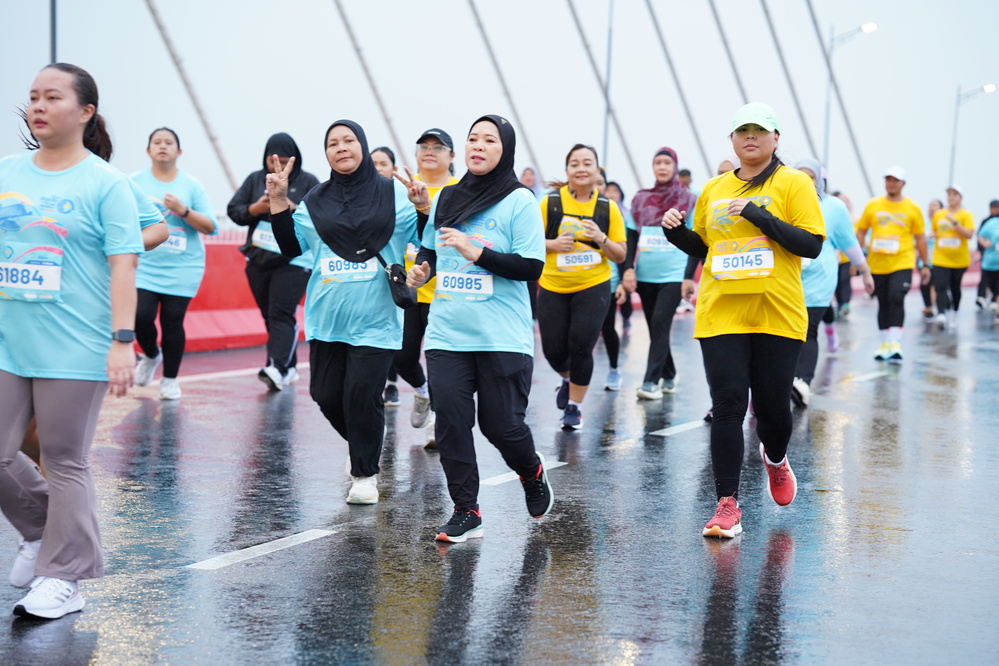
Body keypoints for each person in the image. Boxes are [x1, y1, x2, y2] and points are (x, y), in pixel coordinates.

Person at [0, 62, 142, 619]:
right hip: (9, 340)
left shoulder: (106, 184)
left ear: (85, 111)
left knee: (63, 459)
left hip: (74, 344)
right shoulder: (8, 172)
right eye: (33, 96)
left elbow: (124, 266)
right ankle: (41, 531)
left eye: (52, 97)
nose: (38, 106)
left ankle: (66, 577)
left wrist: (122, 341)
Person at [660, 103, 824, 538]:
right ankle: (727, 504)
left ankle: (776, 458)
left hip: (777, 312)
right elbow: (705, 246)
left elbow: (810, 245)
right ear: (732, 139)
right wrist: (676, 233)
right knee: (728, 404)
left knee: (772, 410)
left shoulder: (794, 183)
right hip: (722, 312)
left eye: (760, 130)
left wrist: (758, 214)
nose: (751, 136)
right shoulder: (714, 189)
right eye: (742, 130)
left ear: (775, 138)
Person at [405, 114, 552, 543]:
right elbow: (431, 251)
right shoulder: (448, 197)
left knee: (501, 426)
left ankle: (531, 470)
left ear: (505, 149)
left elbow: (531, 266)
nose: (479, 146)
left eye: (490, 140)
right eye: (473, 139)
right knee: (451, 422)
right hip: (447, 332)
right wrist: (422, 271)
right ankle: (466, 510)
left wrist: (478, 252)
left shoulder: (519, 200)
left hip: (501, 335)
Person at [269, 120, 417, 505]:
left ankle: (365, 474)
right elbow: (290, 247)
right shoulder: (315, 201)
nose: (341, 147)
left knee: (362, 394)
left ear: (362, 146)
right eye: (332, 143)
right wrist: (278, 201)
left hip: (377, 318)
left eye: (349, 140)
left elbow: (426, 237)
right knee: (325, 395)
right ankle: (363, 443)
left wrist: (423, 207)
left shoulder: (393, 193)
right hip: (327, 318)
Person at [537, 144, 627, 428]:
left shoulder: (607, 208)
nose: (581, 168)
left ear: (597, 170)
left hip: (593, 284)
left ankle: (574, 407)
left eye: (587, 163)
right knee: (553, 350)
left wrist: (601, 238)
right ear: (567, 171)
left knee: (581, 345)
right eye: (574, 163)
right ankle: (567, 379)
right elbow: (527, 242)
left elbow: (620, 255)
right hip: (553, 284)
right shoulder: (550, 203)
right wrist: (553, 244)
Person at [228, 133, 320, 390]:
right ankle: (288, 366)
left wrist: (292, 207)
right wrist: (254, 209)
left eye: (283, 160)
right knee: (270, 315)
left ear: (294, 159)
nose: (277, 165)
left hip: (294, 261)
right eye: (272, 160)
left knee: (281, 313)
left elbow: (321, 217)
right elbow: (234, 210)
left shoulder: (308, 181)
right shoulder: (255, 179)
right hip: (259, 258)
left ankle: (276, 368)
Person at [131, 128, 218, 399]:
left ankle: (170, 380)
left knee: (172, 322)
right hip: (144, 266)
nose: (162, 146)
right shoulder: (134, 182)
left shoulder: (191, 185)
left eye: (169, 143)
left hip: (183, 267)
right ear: (148, 150)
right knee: (140, 316)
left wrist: (183, 210)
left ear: (178, 152)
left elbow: (211, 227)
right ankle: (150, 354)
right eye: (156, 142)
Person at [392, 128, 460, 447]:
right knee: (402, 357)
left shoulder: (460, 191)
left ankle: (437, 420)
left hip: (446, 292)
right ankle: (422, 393)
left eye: (438, 147)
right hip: (406, 291)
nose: (429, 151)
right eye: (423, 146)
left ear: (452, 156)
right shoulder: (398, 189)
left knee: (439, 362)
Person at [790, 158, 874, 406]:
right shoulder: (783, 202)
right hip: (788, 279)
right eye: (800, 176)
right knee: (786, 334)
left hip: (819, 279)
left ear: (820, 180)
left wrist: (865, 270)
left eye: (810, 177)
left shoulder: (834, 207)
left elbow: (849, 242)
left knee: (808, 330)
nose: (805, 181)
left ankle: (802, 382)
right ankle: (783, 380)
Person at [627, 147, 698, 400]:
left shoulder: (689, 199)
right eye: (658, 162)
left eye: (667, 162)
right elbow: (631, 236)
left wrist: (688, 276)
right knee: (656, 328)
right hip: (646, 274)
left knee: (659, 322)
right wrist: (628, 268)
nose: (662, 167)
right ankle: (670, 373)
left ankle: (650, 382)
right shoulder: (640, 198)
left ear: (675, 167)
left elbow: (696, 240)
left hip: (674, 275)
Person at [855, 167, 930, 361]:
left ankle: (895, 342)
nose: (891, 184)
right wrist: (856, 259)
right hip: (877, 263)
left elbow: (920, 237)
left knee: (897, 297)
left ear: (903, 184)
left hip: (902, 261)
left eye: (895, 180)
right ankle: (884, 343)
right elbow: (861, 231)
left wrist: (925, 264)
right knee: (883, 302)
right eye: (888, 180)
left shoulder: (912, 207)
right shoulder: (873, 205)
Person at [601, 180, 635, 388]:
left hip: (609, 282)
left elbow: (624, 252)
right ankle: (569, 379)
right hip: (577, 280)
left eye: (601, 183)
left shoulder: (615, 214)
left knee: (607, 327)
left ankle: (614, 369)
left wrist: (622, 281)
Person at [930, 186, 975, 330]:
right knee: (941, 285)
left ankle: (955, 310)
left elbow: (969, 234)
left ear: (960, 197)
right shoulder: (939, 214)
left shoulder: (966, 214)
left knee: (955, 287)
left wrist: (955, 223)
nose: (951, 197)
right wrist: (931, 235)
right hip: (940, 258)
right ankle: (941, 314)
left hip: (959, 260)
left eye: (955, 194)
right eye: (949, 194)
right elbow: (934, 230)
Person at [919, 199, 942, 320]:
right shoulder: (923, 224)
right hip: (924, 260)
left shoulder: (943, 224)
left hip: (940, 260)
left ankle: (938, 306)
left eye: (935, 206)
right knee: (925, 285)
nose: (931, 208)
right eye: (930, 205)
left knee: (937, 284)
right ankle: (928, 306)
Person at [976, 204, 999, 323]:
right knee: (990, 283)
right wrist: (982, 246)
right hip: (990, 261)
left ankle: (998, 312)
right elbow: (980, 235)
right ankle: (983, 297)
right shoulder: (989, 222)